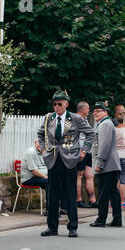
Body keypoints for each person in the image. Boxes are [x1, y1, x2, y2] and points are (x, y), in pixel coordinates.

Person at [37, 90, 95, 238]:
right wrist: (44, 150)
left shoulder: (74, 118)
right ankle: (52, 227)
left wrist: (84, 151)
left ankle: (73, 227)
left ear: (66, 104)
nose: (57, 107)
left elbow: (90, 133)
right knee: (52, 195)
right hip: (53, 159)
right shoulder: (49, 118)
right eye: (55, 104)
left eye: (60, 104)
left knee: (70, 194)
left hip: (70, 159)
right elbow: (40, 134)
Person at [89, 102, 123, 228]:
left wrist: (99, 163)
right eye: (94, 111)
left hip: (107, 165)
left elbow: (104, 146)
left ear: (105, 112)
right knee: (112, 192)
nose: (95, 113)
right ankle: (116, 219)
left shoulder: (105, 124)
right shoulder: (104, 124)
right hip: (110, 164)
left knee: (104, 193)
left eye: (99, 111)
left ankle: (101, 219)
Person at [75, 102, 97, 208]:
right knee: (79, 175)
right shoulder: (76, 120)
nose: (89, 111)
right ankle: (78, 200)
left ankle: (92, 200)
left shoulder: (85, 120)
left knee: (90, 175)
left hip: (88, 151)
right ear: (82, 109)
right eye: (88, 108)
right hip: (80, 150)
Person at [20, 140, 49, 216]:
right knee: (49, 182)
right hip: (29, 178)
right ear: (35, 142)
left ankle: (63, 208)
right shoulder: (31, 153)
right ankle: (50, 210)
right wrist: (46, 177)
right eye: (40, 142)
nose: (41, 145)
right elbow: (34, 171)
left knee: (59, 180)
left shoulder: (43, 152)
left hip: (39, 178)